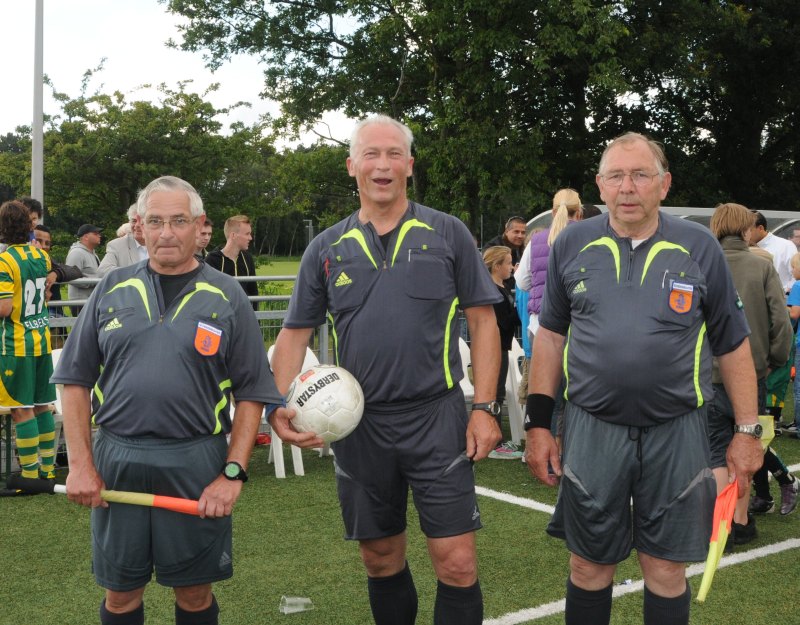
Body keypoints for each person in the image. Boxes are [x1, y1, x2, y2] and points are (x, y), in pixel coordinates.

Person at [270, 115, 502, 625]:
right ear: (352, 165)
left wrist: (484, 407)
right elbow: (295, 333)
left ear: (409, 165)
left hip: (436, 418)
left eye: (394, 154)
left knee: (457, 563)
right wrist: (276, 405)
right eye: (371, 155)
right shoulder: (326, 248)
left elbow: (484, 322)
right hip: (359, 426)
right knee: (380, 559)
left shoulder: (447, 232)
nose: (383, 165)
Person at [525, 132, 762, 625]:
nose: (627, 187)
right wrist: (538, 424)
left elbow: (732, 342)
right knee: (588, 564)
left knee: (666, 568)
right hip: (593, 428)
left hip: (677, 429)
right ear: (600, 185)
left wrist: (746, 430)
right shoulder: (570, 241)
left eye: (640, 175)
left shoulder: (698, 245)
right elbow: (549, 337)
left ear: (664, 184)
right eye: (616, 176)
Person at [51, 175, 286, 625]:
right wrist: (81, 464)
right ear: (138, 227)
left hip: (195, 459)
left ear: (199, 227)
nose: (166, 232)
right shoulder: (111, 288)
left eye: (179, 221)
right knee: (120, 596)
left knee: (194, 596)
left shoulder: (228, 294)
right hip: (119, 454)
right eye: (155, 221)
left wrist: (233, 473)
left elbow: (253, 390)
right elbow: (74, 381)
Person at [707, 203, 794, 543]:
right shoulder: (761, 266)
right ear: (747, 229)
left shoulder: (702, 265)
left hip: (709, 373)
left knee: (716, 451)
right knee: (746, 444)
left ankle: (721, 523)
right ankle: (740, 521)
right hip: (753, 372)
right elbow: (780, 322)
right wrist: (773, 359)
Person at [0, 200, 58, 480]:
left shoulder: (5, 261)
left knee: (21, 411)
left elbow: (4, 309)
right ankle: (48, 470)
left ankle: (30, 476)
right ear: (30, 227)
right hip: (42, 342)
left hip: (17, 345)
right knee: (42, 406)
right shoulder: (42, 257)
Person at [483, 246, 523, 460]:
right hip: (494, 349)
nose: (511, 267)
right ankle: (494, 442)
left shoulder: (502, 287)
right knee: (494, 393)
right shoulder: (492, 290)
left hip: (501, 347)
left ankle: (494, 439)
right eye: (508, 263)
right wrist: (520, 311)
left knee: (496, 393)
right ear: (497, 266)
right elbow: (503, 323)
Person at [205, 215, 258, 302]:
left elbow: (253, 292)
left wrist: (254, 314)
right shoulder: (212, 260)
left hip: (243, 314)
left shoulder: (247, 258)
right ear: (233, 235)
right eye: (247, 234)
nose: (250, 238)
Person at [749, 210, 796, 293]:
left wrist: (782, 293)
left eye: (748, 230)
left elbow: (796, 277)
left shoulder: (786, 246)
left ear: (760, 228)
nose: (744, 234)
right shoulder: (742, 247)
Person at [98, 205, 148, 276]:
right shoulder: (117, 245)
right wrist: (137, 273)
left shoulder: (162, 242)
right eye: (134, 221)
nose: (137, 225)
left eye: (142, 221)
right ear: (129, 222)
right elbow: (103, 270)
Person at [484, 216, 526, 290]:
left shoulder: (525, 247)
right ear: (506, 232)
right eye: (516, 231)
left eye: (523, 232)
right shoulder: (493, 247)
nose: (520, 236)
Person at [65, 223, 102, 309]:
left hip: (90, 301)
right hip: (79, 303)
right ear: (86, 237)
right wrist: (96, 282)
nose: (99, 236)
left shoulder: (92, 253)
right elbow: (70, 277)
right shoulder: (76, 253)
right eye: (96, 234)